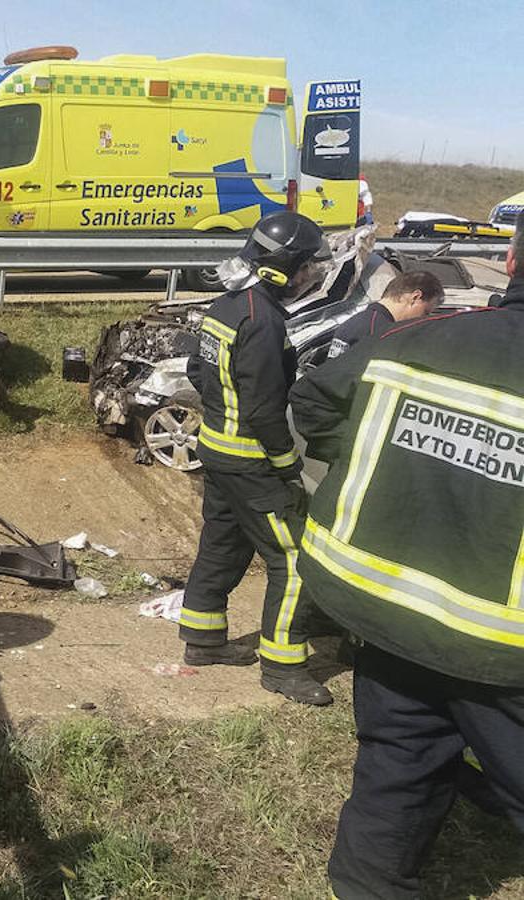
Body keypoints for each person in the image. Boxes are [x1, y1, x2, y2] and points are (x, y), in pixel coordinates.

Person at [288, 212, 524, 898]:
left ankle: (369, 883)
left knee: (399, 757)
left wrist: (389, 465)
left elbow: (316, 400)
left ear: (509, 262)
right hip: (501, 647)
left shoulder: (417, 341)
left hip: (392, 609)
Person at [178, 211, 335, 706]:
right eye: (310, 266)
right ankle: (284, 667)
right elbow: (267, 411)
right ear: (287, 264)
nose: (312, 276)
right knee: (292, 558)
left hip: (217, 451)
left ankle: (202, 640)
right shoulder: (263, 322)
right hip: (251, 461)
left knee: (222, 545)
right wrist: (287, 465)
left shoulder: (226, 306)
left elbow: (197, 373)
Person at [327, 271, 444, 359]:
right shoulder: (382, 333)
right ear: (415, 297)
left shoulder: (356, 322)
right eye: (426, 312)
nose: (424, 319)